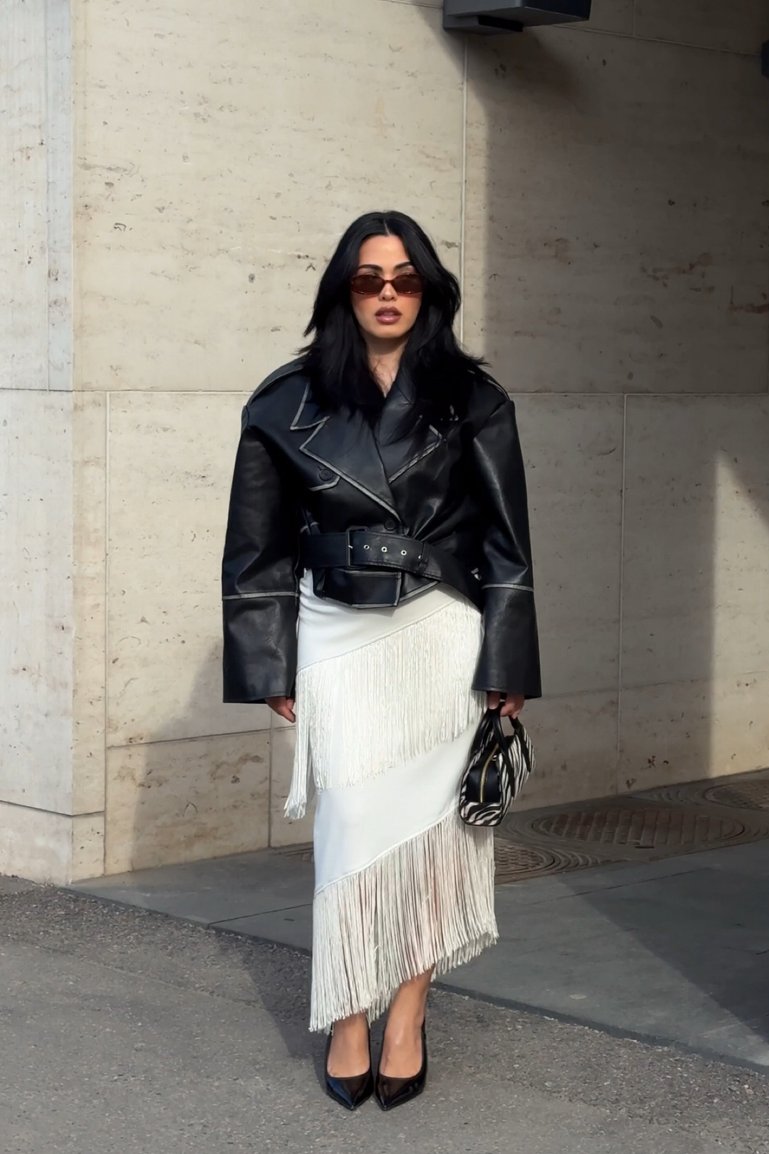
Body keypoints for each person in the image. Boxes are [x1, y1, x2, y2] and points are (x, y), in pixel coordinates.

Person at [221, 210, 541, 1112]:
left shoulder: (475, 400)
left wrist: (507, 664)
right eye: (369, 279)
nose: (388, 293)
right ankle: (347, 1010)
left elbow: (510, 547)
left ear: (428, 289)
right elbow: (255, 548)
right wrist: (269, 662)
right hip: (337, 633)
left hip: (442, 632)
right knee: (352, 830)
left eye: (404, 278)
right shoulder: (284, 402)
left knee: (439, 835)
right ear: (343, 291)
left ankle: (407, 1012)